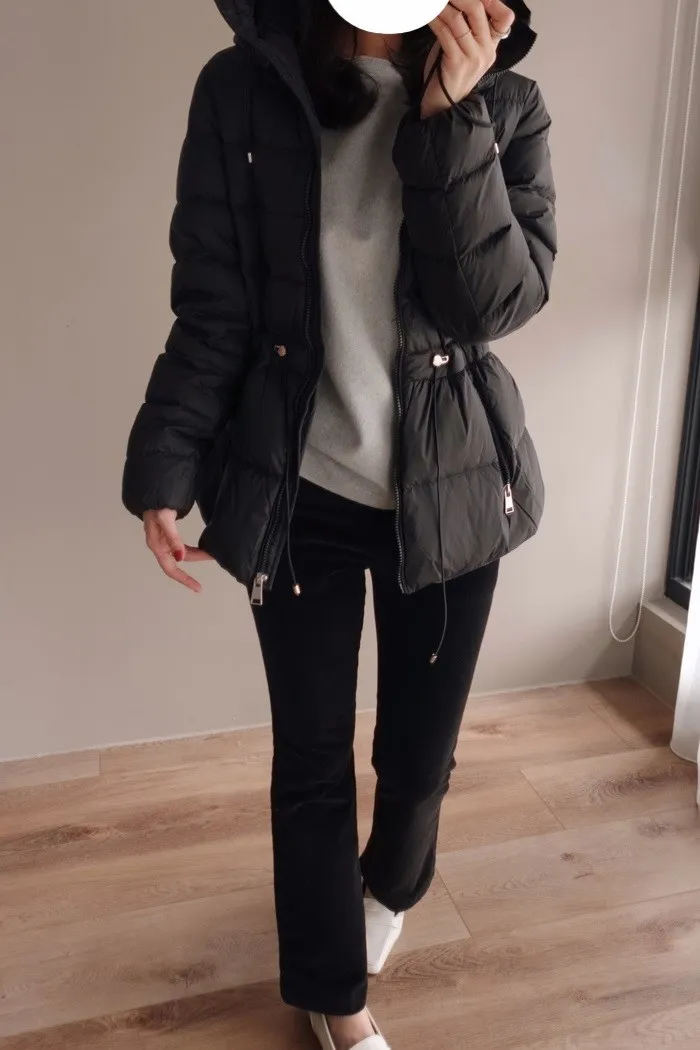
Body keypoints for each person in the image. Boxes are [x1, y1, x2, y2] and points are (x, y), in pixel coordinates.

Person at [122, 0, 556, 1046]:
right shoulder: (242, 91)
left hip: (448, 491)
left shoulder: (507, 103)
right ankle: (336, 1000)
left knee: (418, 760)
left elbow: (495, 307)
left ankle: (391, 886)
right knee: (311, 760)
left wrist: (450, 117)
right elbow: (213, 305)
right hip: (296, 492)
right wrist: (164, 466)